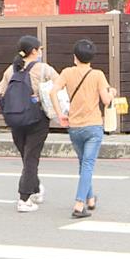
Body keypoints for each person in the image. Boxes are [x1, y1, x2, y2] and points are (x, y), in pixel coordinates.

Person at [0, 35, 58, 212]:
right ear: (34, 51)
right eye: (40, 49)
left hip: (15, 118)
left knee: (27, 157)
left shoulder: (11, 70)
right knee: (31, 157)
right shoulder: (43, 69)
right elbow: (60, 86)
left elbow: (0, 95)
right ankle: (24, 199)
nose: (41, 52)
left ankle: (35, 186)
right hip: (37, 118)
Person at [48, 39, 117, 218]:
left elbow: (52, 92)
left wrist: (59, 114)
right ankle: (79, 204)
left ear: (75, 57)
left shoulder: (67, 73)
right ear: (91, 58)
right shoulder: (98, 75)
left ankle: (91, 199)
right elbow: (106, 101)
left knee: (83, 163)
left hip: (74, 126)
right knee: (87, 164)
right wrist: (112, 92)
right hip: (93, 125)